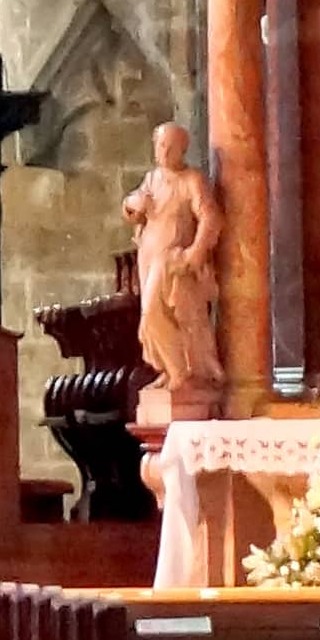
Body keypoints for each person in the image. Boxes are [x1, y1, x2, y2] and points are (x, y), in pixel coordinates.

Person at [122, 121, 224, 421]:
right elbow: (131, 205)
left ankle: (183, 372)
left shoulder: (191, 180)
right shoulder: (152, 179)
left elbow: (210, 217)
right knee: (154, 318)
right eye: (159, 145)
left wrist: (197, 251)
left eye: (169, 146)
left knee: (156, 315)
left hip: (173, 261)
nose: (163, 151)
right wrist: (133, 205)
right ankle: (171, 370)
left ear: (182, 149)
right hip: (149, 256)